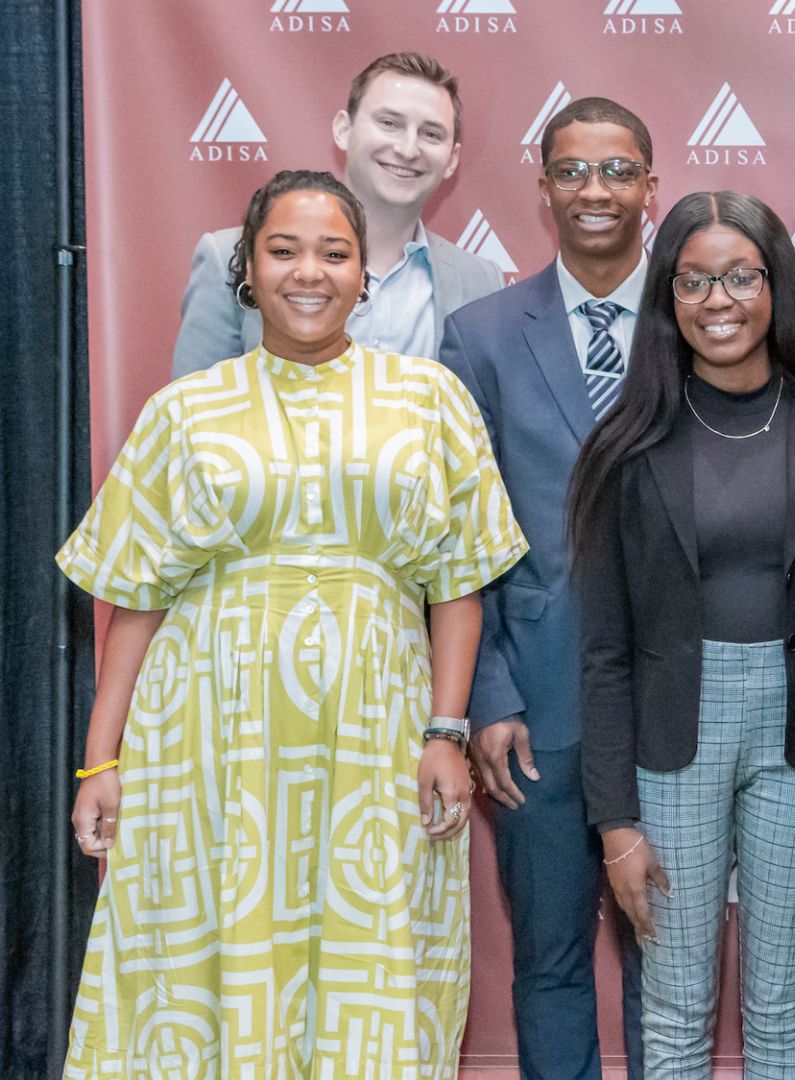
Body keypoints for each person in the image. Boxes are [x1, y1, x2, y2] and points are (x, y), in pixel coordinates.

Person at [61, 169, 526, 1076]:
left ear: (365, 275)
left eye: (334, 252)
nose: (308, 272)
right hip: (207, 734)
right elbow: (135, 598)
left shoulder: (430, 401)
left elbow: (457, 586)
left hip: (377, 731)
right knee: (203, 958)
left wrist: (445, 729)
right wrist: (102, 761)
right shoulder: (184, 412)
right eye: (283, 250)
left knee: (373, 948)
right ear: (247, 269)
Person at [572, 190, 795, 1079]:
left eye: (741, 276)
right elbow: (604, 650)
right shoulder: (626, 445)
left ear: (776, 286)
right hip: (673, 735)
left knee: (784, 1002)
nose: (720, 300)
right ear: (667, 297)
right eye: (695, 279)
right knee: (673, 1007)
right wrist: (615, 826)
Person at [438, 96, 657, 1079]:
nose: (595, 190)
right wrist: (487, 694)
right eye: (573, 170)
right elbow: (455, 541)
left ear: (651, 186)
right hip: (540, 700)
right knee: (554, 962)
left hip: (682, 702)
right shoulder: (479, 334)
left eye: (617, 171)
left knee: (674, 957)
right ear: (544, 188)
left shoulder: (709, 311)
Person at [173, 52, 501, 377]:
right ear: (344, 129)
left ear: (453, 159)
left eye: (431, 134)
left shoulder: (481, 282)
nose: (407, 149)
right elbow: (193, 413)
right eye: (389, 123)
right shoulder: (228, 256)